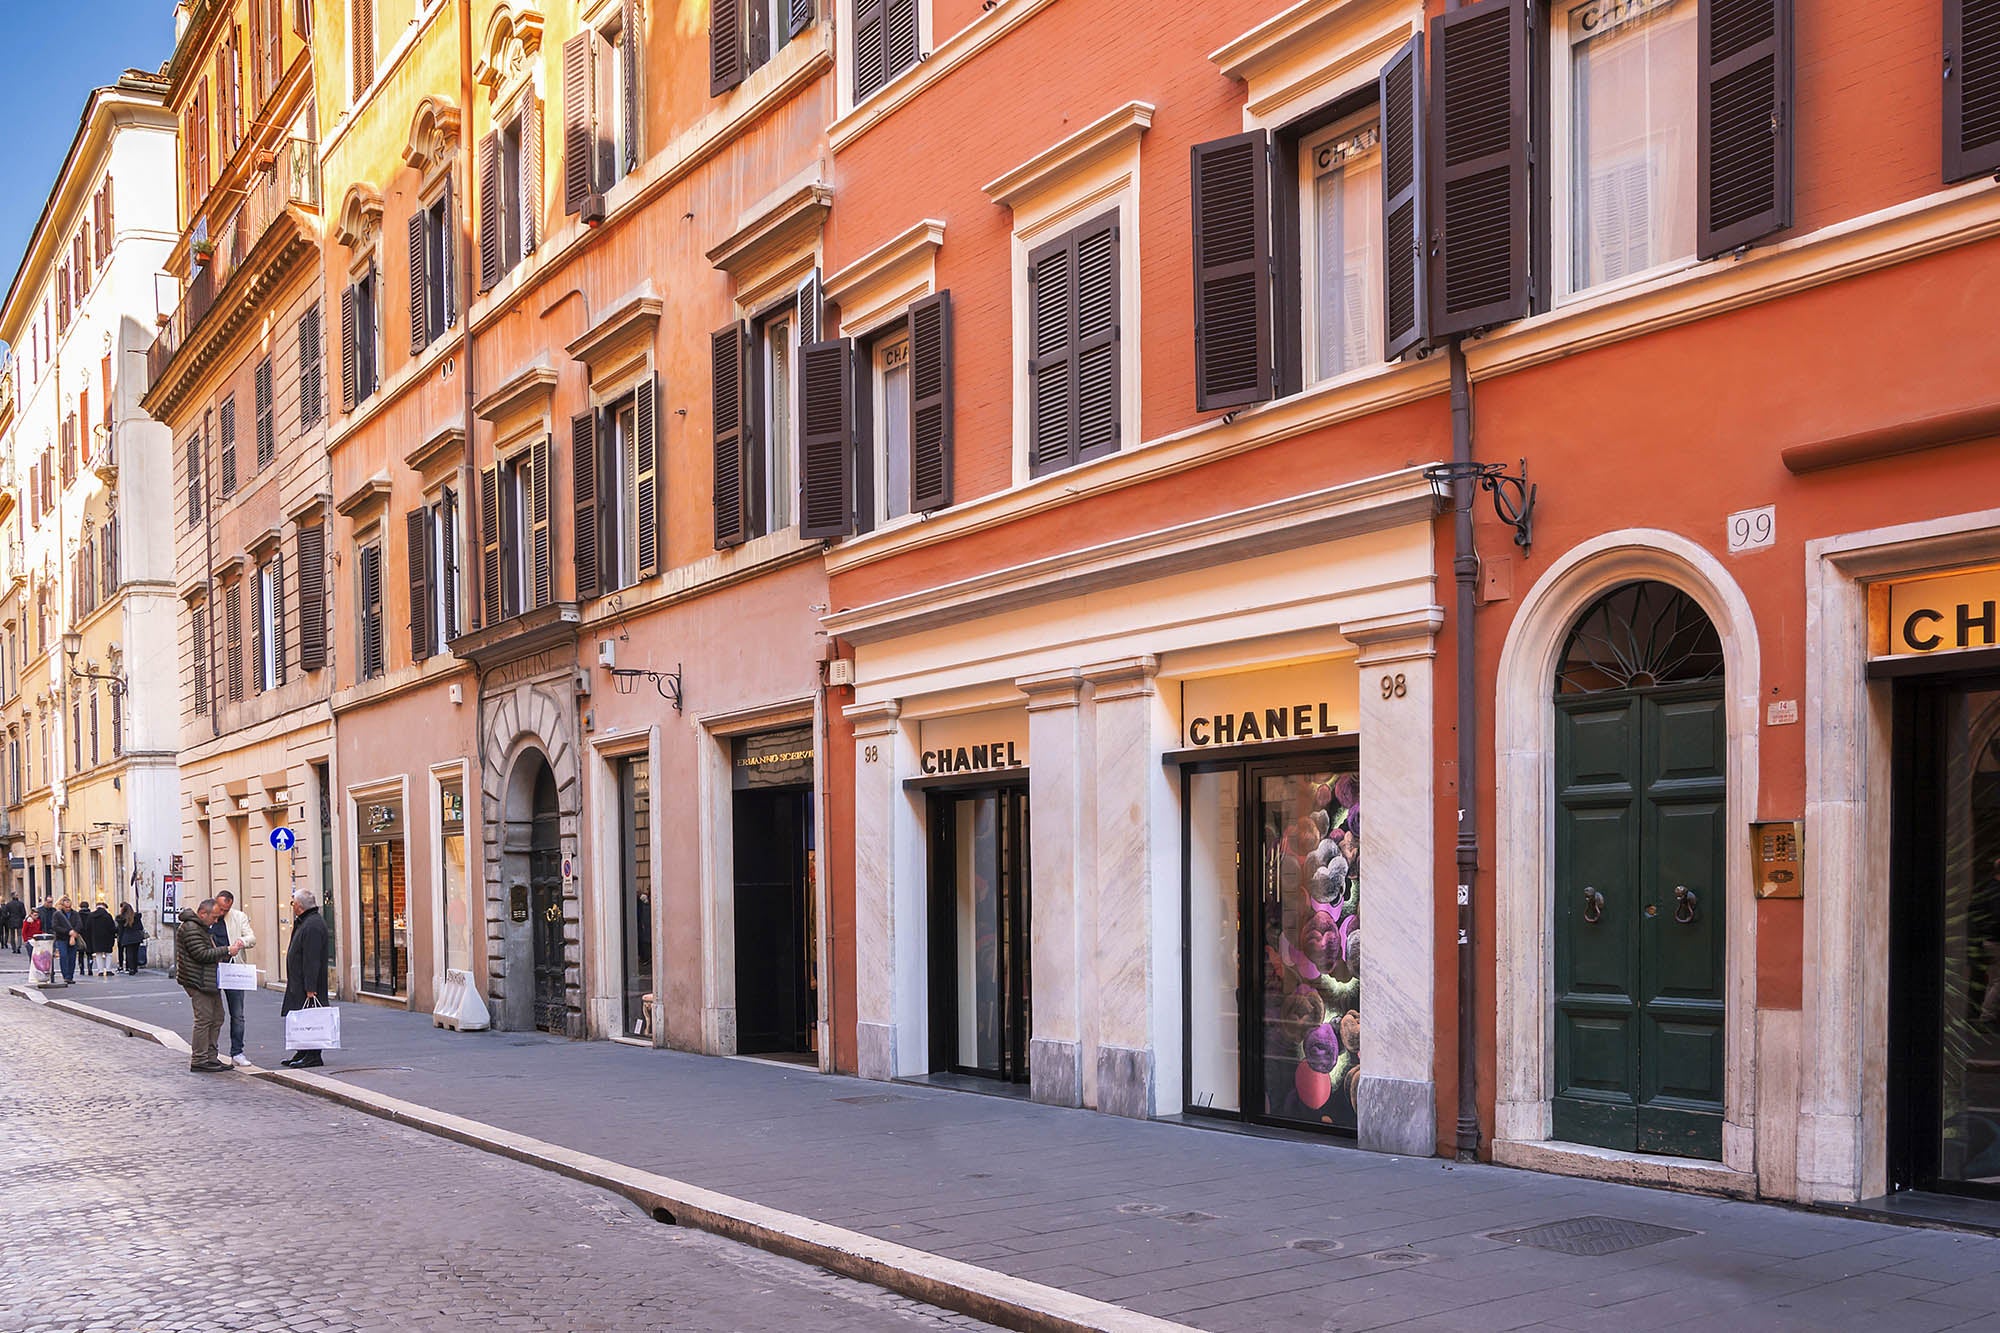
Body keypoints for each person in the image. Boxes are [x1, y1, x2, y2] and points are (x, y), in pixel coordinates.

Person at [176, 898, 242, 1073]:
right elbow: (201, 954)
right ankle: (199, 1059)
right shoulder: (190, 928)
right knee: (204, 1019)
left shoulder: (201, 927)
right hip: (197, 981)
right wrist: (226, 950)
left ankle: (211, 1057)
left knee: (217, 1017)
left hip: (208, 979)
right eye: (214, 916)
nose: (216, 921)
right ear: (202, 913)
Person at [281, 887, 329, 1070]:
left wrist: (310, 987)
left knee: (311, 1018)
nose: (292, 905)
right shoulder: (305, 922)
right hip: (298, 982)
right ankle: (302, 1051)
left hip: (307, 984)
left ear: (299, 906)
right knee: (301, 1017)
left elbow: (312, 958)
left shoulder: (313, 925)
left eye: (293, 902)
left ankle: (313, 1054)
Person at [211, 889, 256, 1066]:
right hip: (212, 969)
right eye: (220, 908)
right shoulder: (207, 915)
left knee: (237, 1014)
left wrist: (241, 942)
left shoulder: (238, 917)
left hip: (233, 969)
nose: (222, 913)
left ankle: (237, 1052)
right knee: (212, 1013)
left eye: (225, 910)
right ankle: (210, 1051)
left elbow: (251, 937)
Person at [49, 897, 78, 985]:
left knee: (72, 957)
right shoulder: (57, 914)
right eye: (66, 907)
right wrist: (68, 932)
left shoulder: (75, 914)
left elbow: (79, 924)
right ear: (62, 906)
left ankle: (70, 976)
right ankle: (66, 976)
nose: (68, 909)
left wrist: (74, 932)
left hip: (73, 938)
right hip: (62, 938)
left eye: (69, 907)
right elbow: (55, 926)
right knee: (64, 956)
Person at [87, 902, 115, 979]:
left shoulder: (91, 916)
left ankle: (100, 971)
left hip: (96, 937)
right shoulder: (108, 916)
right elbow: (112, 927)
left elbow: (87, 928)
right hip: (107, 937)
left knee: (98, 954)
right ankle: (108, 970)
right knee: (108, 954)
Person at [115, 903, 145, 975]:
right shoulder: (136, 917)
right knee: (135, 953)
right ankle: (135, 968)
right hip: (136, 937)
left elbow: (120, 930)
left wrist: (120, 939)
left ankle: (131, 968)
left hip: (127, 937)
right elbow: (140, 927)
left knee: (129, 953)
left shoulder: (121, 919)